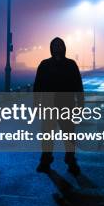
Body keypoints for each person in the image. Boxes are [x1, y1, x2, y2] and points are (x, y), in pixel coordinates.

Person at [33, 37, 84, 175]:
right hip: (49, 106)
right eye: (55, 45)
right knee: (47, 136)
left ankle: (70, 160)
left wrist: (80, 103)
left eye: (60, 45)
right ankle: (46, 160)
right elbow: (37, 86)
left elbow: (78, 86)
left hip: (67, 105)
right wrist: (36, 104)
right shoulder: (44, 65)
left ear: (64, 47)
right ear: (51, 48)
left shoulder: (71, 65)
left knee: (69, 135)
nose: (57, 48)